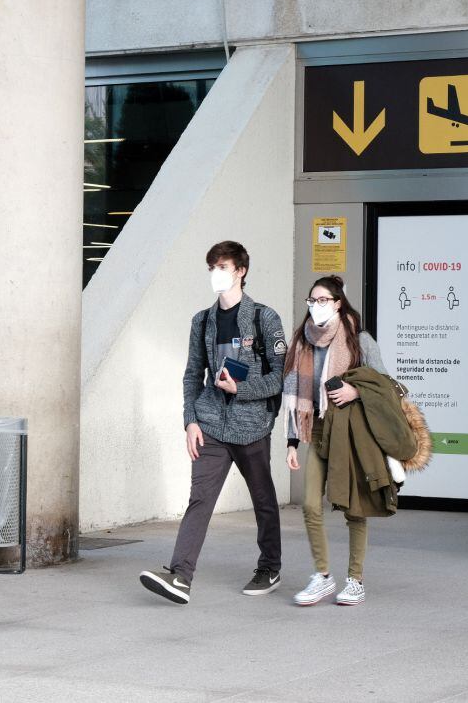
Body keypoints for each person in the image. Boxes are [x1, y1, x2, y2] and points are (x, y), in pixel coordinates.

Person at [140, 241, 287, 604]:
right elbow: (193, 375)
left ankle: (269, 566)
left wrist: (242, 389)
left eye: (222, 266)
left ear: (241, 271)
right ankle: (179, 575)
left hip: (252, 426)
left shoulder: (264, 318)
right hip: (210, 425)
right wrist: (191, 420)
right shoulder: (201, 321)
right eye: (211, 268)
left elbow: (279, 377)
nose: (216, 274)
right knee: (200, 499)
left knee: (263, 499)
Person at [284, 276, 391, 606]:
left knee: (353, 509)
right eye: (311, 301)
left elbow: (385, 384)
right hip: (316, 430)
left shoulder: (359, 340)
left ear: (338, 302)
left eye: (322, 300)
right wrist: (291, 442)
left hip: (349, 432)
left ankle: (355, 580)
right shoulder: (302, 341)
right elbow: (294, 392)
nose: (316, 306)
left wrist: (355, 390)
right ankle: (322, 576)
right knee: (311, 505)